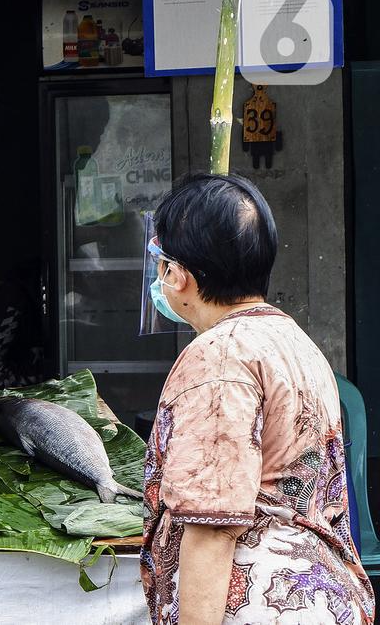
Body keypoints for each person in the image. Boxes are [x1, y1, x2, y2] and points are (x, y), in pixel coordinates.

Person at [140, 174, 374, 624]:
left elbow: (212, 526)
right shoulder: (293, 340)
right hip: (322, 599)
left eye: (162, 261)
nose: (160, 274)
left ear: (179, 275)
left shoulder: (218, 356)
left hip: (261, 605)